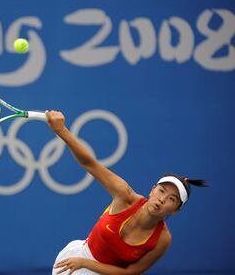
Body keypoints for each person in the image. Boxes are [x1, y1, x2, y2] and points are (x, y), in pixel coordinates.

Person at [45, 111, 208, 275]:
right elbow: (89, 163)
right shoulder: (125, 196)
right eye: (161, 191)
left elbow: (130, 272)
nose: (162, 199)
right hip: (74, 262)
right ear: (152, 190)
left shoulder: (163, 239)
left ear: (176, 210)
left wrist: (86, 264)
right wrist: (61, 130)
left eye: (171, 199)